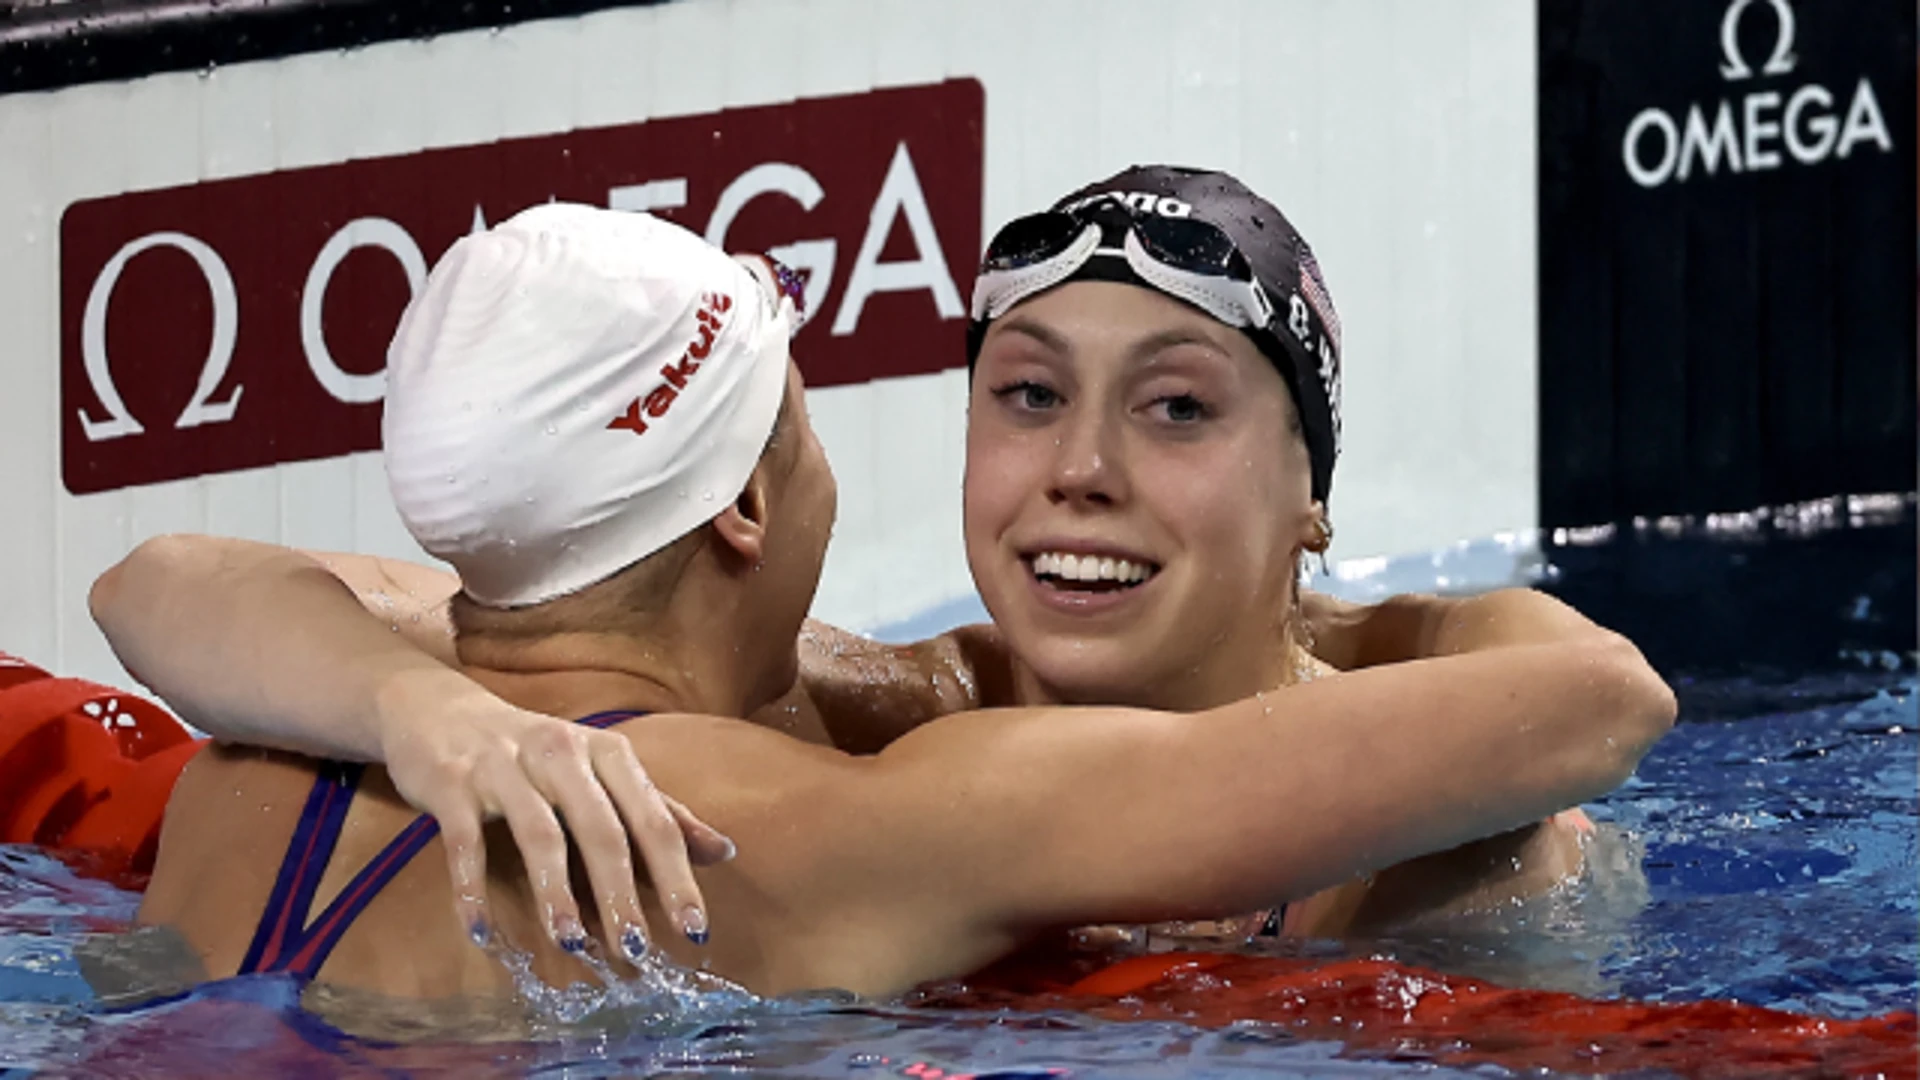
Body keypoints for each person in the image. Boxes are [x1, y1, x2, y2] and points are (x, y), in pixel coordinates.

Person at [98, 169, 1663, 964]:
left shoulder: (300, 740)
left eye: (1176, 407)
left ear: (1315, 486)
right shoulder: (871, 805)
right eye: (1027, 395)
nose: (1082, 469)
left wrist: (413, 712)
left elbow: (150, 581)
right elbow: (1608, 691)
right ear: (742, 507)